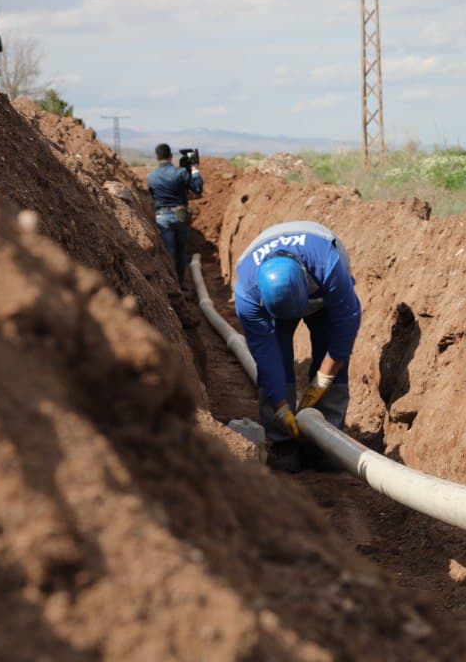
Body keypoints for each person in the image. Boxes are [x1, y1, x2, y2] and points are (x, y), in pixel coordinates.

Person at [233, 221, 362, 472]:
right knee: (277, 357)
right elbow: (265, 353)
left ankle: (327, 442)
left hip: (320, 291)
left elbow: (343, 333)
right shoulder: (247, 292)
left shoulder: (329, 267)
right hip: (279, 301)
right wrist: (281, 408)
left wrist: (321, 382)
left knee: (328, 349)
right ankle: (283, 444)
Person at [146, 143, 202, 286]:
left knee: (168, 252)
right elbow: (197, 188)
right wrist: (194, 169)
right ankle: (181, 283)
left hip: (161, 217)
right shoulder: (181, 173)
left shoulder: (151, 176)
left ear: (156, 157)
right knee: (181, 251)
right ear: (171, 156)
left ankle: (171, 285)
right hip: (180, 215)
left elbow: (152, 196)